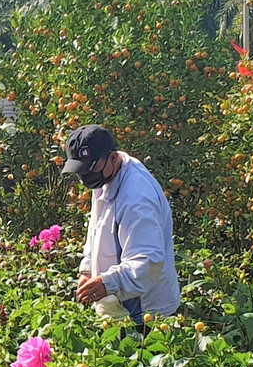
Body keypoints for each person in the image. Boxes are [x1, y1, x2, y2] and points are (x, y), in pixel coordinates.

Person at [62, 124, 180, 328]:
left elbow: (147, 261)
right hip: (118, 305)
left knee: (140, 348)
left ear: (113, 157)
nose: (86, 177)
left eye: (90, 168)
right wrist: (87, 270)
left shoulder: (137, 198)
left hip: (146, 313)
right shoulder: (105, 176)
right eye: (80, 170)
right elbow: (97, 230)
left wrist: (107, 283)